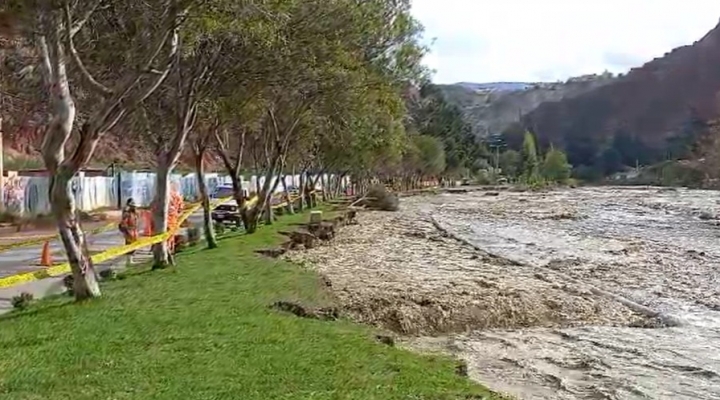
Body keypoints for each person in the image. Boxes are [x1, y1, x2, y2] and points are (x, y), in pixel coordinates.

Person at [119, 198, 139, 264]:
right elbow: (123, 223)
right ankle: (129, 260)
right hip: (129, 231)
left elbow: (136, 221)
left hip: (134, 231)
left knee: (134, 246)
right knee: (129, 246)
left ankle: (131, 259)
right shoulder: (127, 214)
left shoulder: (135, 213)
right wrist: (126, 231)